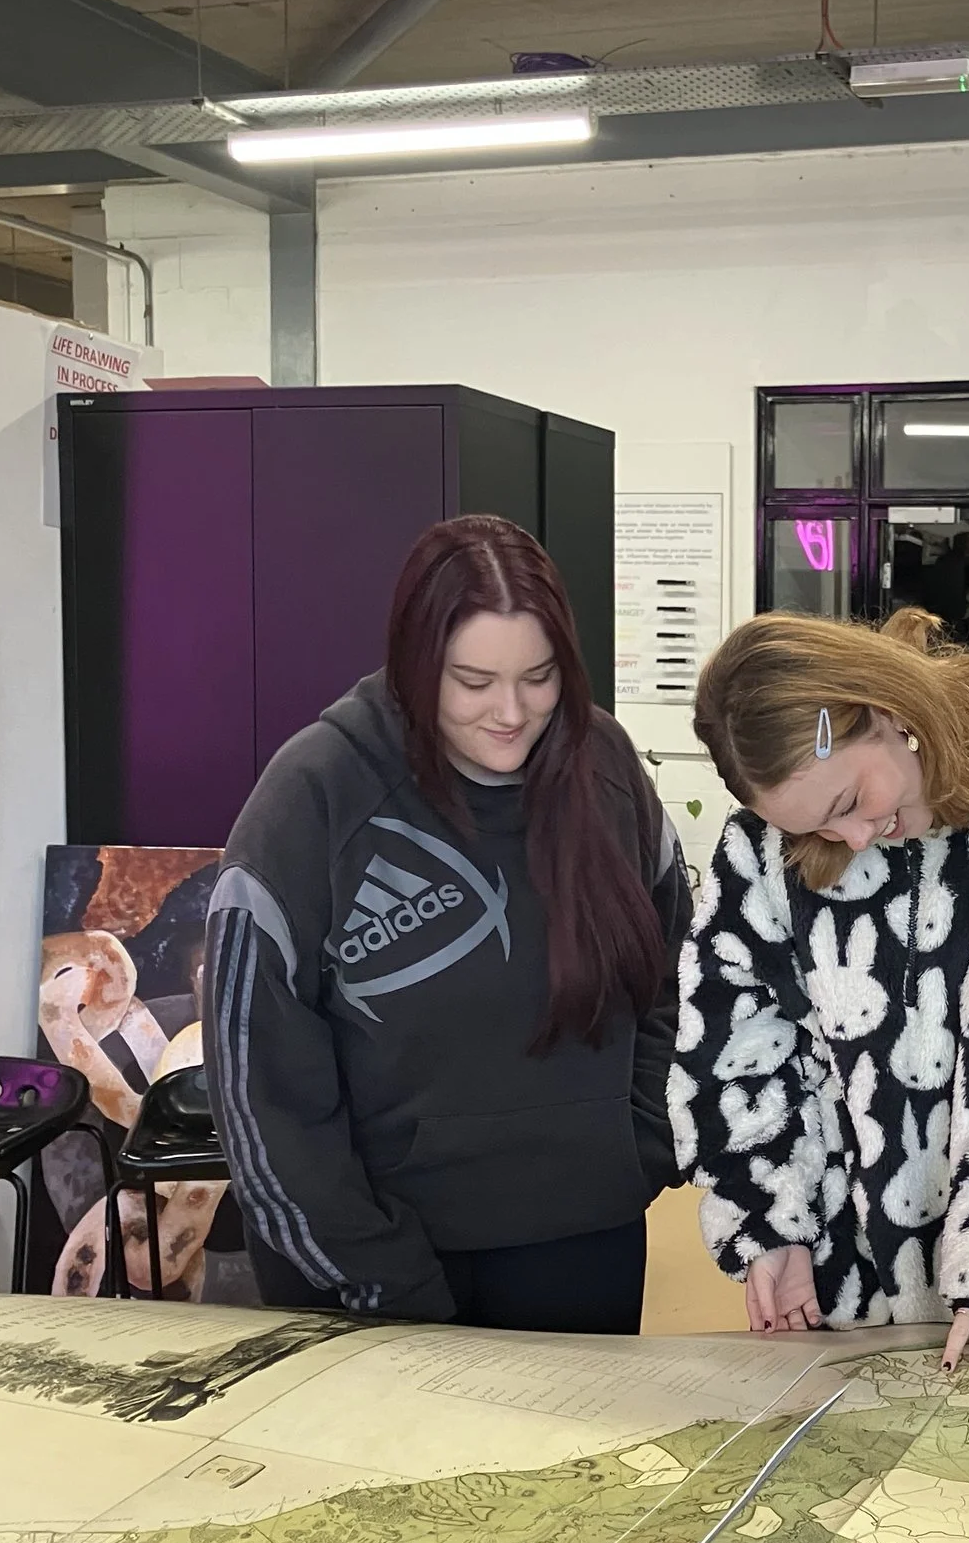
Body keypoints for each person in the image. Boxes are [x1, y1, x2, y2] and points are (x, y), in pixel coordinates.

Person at [204, 515, 688, 1332]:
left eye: (539, 677)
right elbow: (260, 1087)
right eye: (473, 681)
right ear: (415, 662)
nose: (511, 711)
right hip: (370, 1266)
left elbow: (683, 976)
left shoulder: (606, 771)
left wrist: (639, 1142)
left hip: (582, 1241)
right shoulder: (315, 794)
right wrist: (373, 1276)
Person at [680, 608, 969, 1369]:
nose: (853, 839)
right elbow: (734, 1048)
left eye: (846, 801)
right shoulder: (761, 850)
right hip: (849, 1309)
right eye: (818, 828)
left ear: (886, 710)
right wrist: (772, 1226)